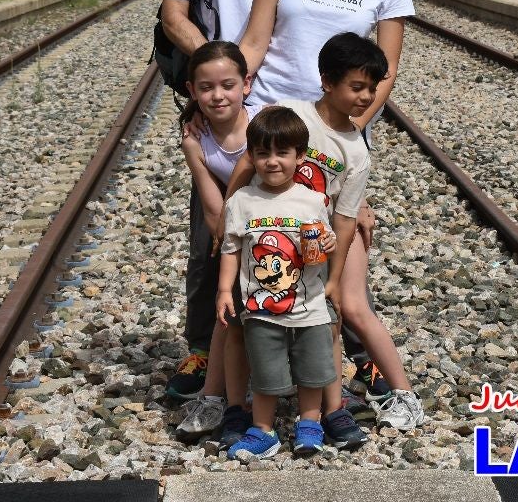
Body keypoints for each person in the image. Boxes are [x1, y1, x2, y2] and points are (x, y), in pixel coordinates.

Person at [236, 0, 421, 426]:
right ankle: (241, 400)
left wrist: (341, 145)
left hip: (334, 141)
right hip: (270, 138)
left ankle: (364, 394)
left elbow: (383, 75)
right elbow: (255, 42)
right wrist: (220, 101)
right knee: (252, 273)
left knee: (336, 279)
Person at [155, 0, 318, 402]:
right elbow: (174, 14)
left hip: (287, 107)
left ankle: (317, 354)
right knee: (214, 233)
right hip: (223, 112)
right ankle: (205, 346)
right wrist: (218, 75)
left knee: (303, 231)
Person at [227, 34, 426, 436]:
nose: (367, 96)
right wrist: (226, 217)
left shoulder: (356, 151)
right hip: (271, 229)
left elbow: (347, 219)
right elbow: (248, 165)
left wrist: (334, 277)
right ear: (327, 82)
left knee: (348, 306)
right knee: (236, 311)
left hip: (325, 236)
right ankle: (225, 401)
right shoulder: (292, 114)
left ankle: (402, 395)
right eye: (357, 86)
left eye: (372, 88)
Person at [217, 106, 339, 460]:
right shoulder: (241, 201)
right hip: (259, 308)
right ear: (252, 157)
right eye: (262, 153)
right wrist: (225, 290)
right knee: (266, 372)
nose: (273, 162)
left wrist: (328, 244)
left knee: (313, 370)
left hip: (310, 304)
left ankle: (310, 424)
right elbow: (230, 249)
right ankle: (263, 429)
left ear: (299, 156)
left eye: (282, 152)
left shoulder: (313, 200)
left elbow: (322, 247)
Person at [172, 42, 254, 446]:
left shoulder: (262, 123)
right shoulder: (195, 140)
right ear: (192, 90)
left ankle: (324, 394)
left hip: (283, 224)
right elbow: (211, 206)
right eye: (206, 88)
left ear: (246, 85)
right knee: (230, 306)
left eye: (227, 85)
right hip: (237, 227)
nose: (217, 95)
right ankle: (216, 397)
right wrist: (229, 247)